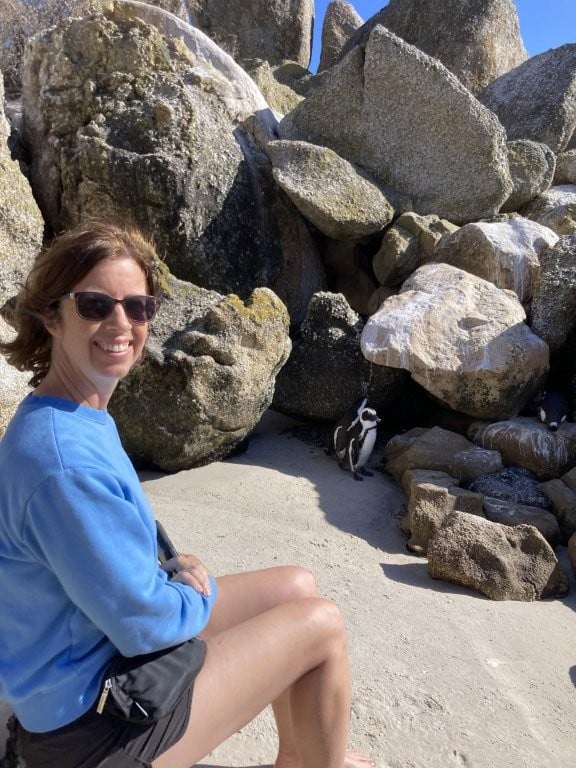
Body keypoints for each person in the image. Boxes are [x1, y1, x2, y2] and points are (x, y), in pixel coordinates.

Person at [0, 220, 375, 768]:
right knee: (321, 626)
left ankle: (300, 759)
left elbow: (102, 556)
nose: (121, 323)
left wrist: (168, 566)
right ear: (52, 315)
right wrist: (189, 594)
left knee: (297, 587)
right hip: (89, 730)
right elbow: (143, 625)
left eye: (139, 307)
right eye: (95, 305)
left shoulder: (69, 412)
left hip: (99, 663)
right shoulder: (62, 462)